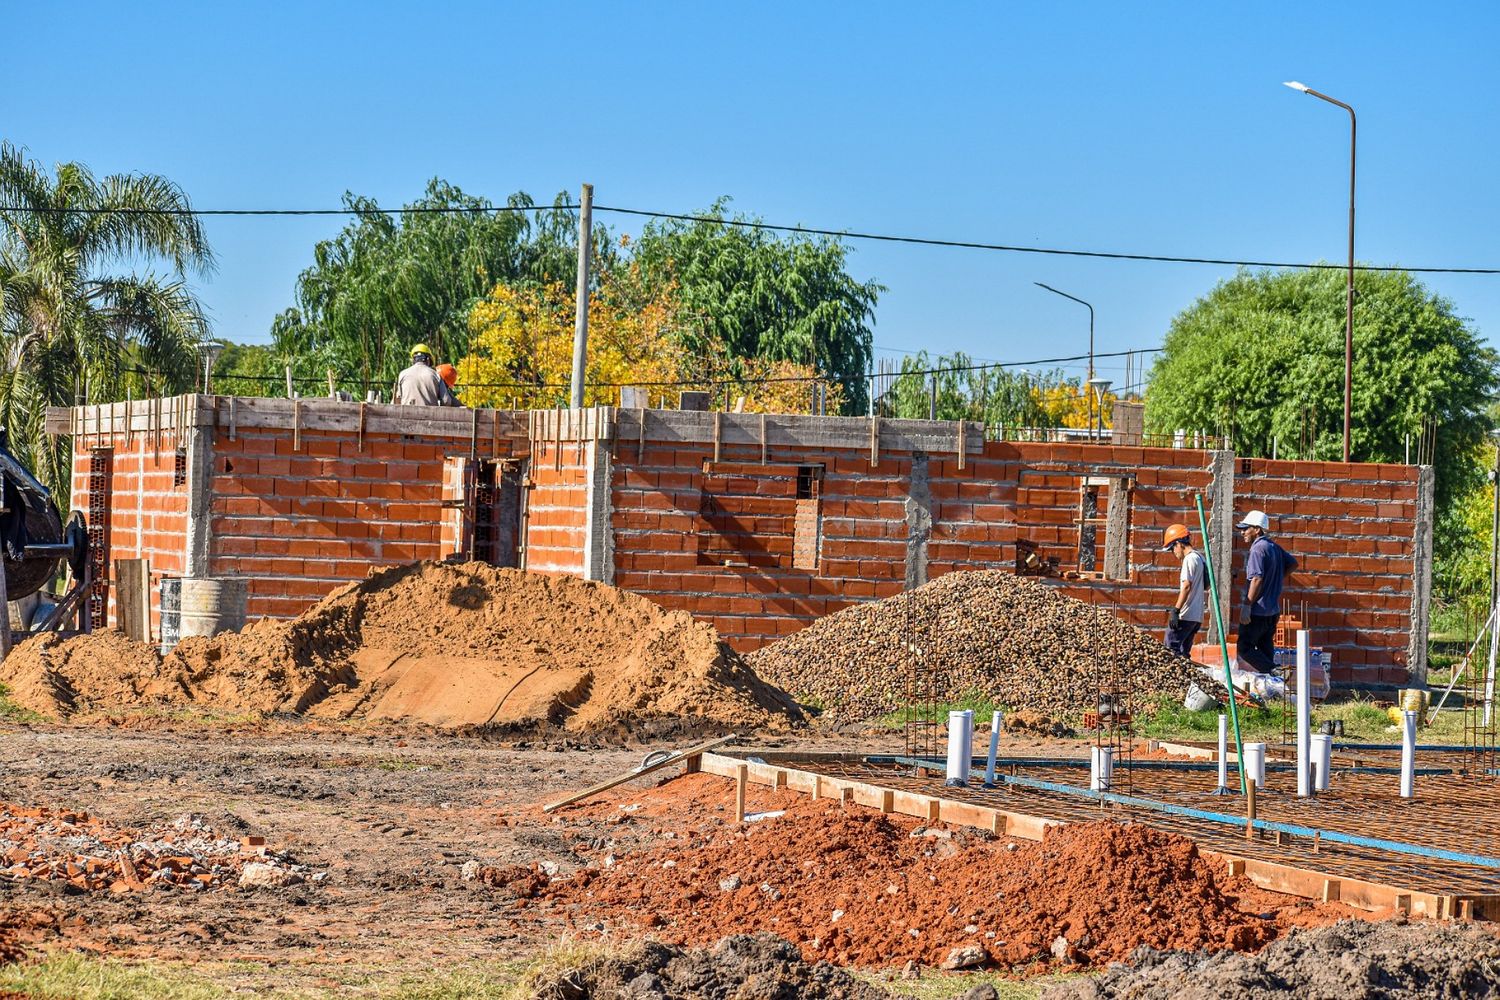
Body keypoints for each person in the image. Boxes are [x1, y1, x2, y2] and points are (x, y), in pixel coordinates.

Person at [1236, 509, 1296, 673]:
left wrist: (1247, 606)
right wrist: (1276, 578)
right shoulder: (1273, 547)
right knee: (1264, 649)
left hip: (1257, 611)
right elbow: (1293, 563)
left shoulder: (1257, 549)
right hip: (1272, 612)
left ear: (1257, 529)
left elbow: (1256, 579)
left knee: (1244, 647)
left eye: (1246, 528)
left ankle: (1275, 671)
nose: (1242, 533)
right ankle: (1272, 684)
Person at [1161, 523, 1205, 656]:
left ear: (1179, 543)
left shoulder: (1189, 559)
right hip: (1196, 617)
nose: (1173, 553)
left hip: (1185, 615)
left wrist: (1176, 610)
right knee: (1183, 653)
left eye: (1172, 548)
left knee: (1170, 651)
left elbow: (1186, 586)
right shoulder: (1200, 557)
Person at [393, 344, 459, 406]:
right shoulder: (435, 375)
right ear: (428, 360)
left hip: (405, 416)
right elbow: (446, 401)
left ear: (413, 360)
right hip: (430, 416)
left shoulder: (402, 374)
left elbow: (397, 400)